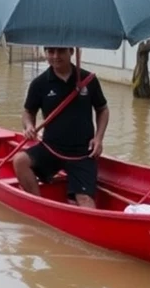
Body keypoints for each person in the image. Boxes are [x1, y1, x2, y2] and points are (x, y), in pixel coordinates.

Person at [13, 46, 109, 209]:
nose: (55, 56)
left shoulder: (88, 79)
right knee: (19, 161)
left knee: (86, 201)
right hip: (51, 149)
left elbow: (102, 110)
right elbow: (28, 112)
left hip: (83, 154)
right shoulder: (39, 84)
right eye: (50, 51)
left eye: (61, 51)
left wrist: (99, 138)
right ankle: (40, 206)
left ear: (71, 52)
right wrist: (29, 126)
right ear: (46, 53)